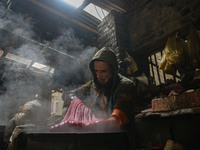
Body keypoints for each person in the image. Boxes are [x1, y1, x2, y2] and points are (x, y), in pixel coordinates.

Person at [61, 47, 138, 130]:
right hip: (99, 134)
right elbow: (70, 95)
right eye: (96, 71)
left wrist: (91, 123)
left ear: (113, 71)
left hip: (122, 138)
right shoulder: (92, 85)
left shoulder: (125, 86)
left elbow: (116, 120)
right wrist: (80, 106)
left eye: (103, 71)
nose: (98, 76)